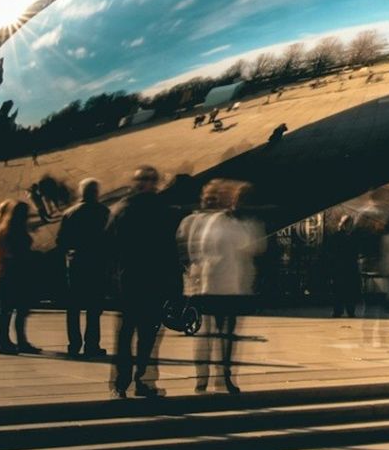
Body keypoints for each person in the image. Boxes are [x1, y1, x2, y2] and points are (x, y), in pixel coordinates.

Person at [178, 180, 264, 394]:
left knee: (225, 334)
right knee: (210, 332)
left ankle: (223, 376)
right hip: (212, 284)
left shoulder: (235, 222)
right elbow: (197, 249)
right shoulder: (210, 221)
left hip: (231, 285)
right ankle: (205, 378)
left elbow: (251, 246)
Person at [107, 165, 179, 399]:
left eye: (147, 179)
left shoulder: (122, 209)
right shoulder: (161, 209)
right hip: (144, 278)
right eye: (142, 179)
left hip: (134, 279)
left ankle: (126, 383)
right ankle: (133, 381)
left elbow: (108, 244)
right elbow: (170, 249)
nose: (144, 183)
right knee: (141, 333)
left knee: (132, 333)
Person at [57, 178, 109, 357]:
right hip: (96, 262)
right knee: (94, 308)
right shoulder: (103, 212)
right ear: (96, 193)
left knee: (74, 306)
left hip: (75, 262)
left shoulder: (69, 213)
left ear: (81, 193)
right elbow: (110, 238)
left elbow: (61, 241)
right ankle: (92, 344)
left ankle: (74, 344)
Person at [0, 201, 40, 355]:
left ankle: (4, 340)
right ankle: (12, 341)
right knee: (15, 308)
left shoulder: (4, 229)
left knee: (7, 308)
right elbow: (16, 253)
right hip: (14, 273)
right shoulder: (14, 231)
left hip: (5, 272)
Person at [324, 214, 362, 318]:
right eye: (349, 224)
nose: (350, 226)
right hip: (347, 267)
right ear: (345, 225)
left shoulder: (336, 237)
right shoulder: (351, 237)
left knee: (340, 290)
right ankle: (348, 310)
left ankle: (339, 310)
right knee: (347, 290)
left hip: (341, 268)